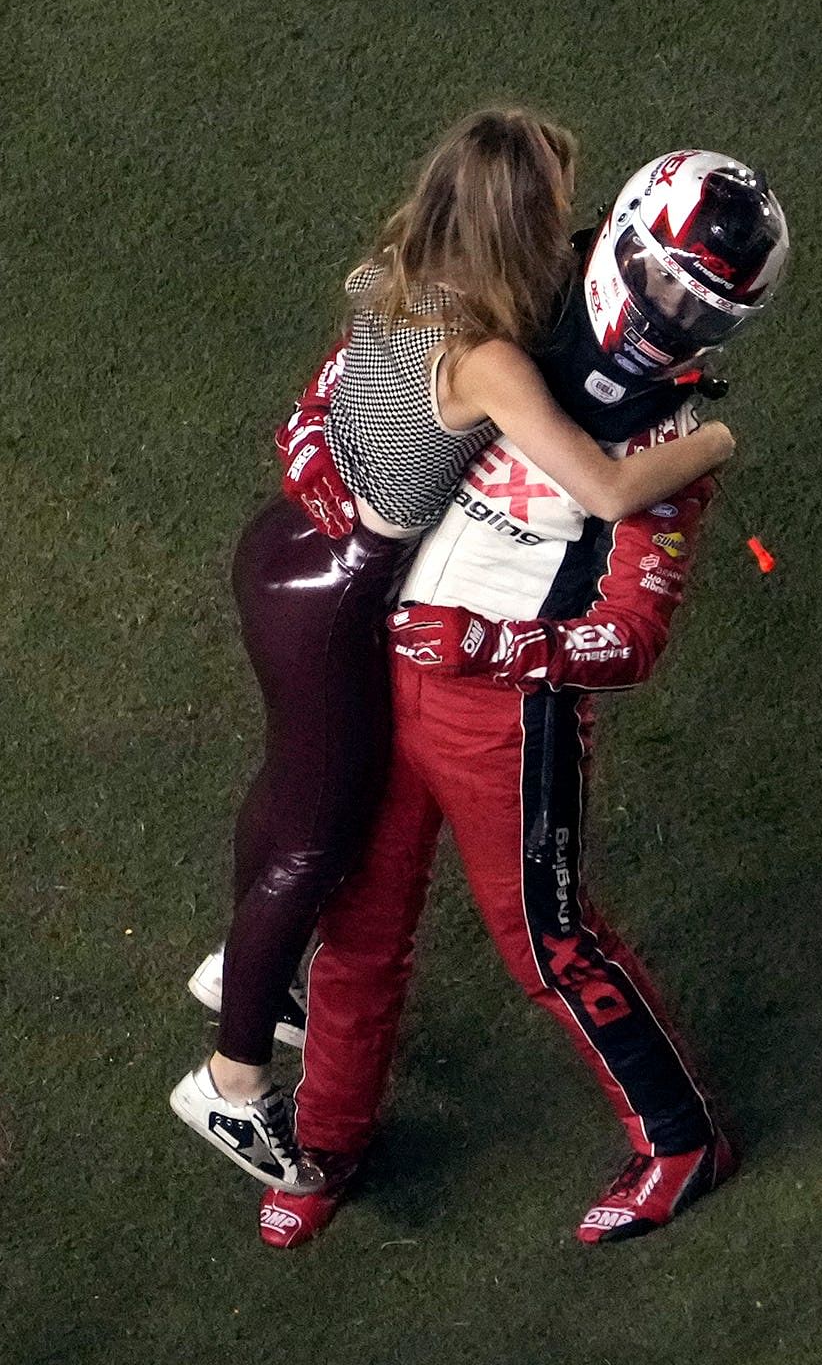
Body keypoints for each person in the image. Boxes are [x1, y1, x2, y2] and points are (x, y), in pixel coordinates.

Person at [171, 115, 738, 1193]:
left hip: (284, 542)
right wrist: (714, 439)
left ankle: (256, 984)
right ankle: (232, 1080)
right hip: (346, 601)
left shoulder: (396, 273)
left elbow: (318, 405)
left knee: (304, 810)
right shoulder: (493, 360)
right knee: (322, 838)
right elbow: (610, 489)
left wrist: (323, 471)